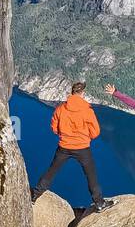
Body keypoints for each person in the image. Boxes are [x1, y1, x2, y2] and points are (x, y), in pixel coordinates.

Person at [31, 82, 110, 210]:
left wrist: (65, 135)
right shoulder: (87, 110)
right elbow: (95, 132)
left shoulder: (61, 109)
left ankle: (35, 196)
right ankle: (99, 203)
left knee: (51, 172)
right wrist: (85, 137)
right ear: (82, 94)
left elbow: (54, 128)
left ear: (71, 93)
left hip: (64, 147)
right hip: (83, 148)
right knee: (91, 176)